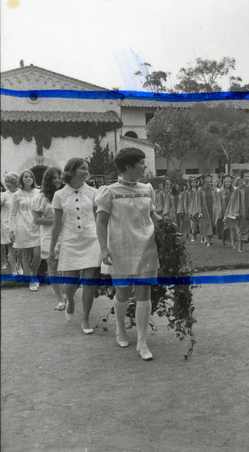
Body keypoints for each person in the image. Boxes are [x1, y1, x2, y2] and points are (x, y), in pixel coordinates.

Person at [96, 148, 159, 360]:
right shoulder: (109, 191)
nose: (145, 166)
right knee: (122, 293)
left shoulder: (147, 189)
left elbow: (152, 214)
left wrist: (167, 227)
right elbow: (101, 221)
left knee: (144, 292)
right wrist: (103, 249)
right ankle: (120, 328)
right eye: (141, 163)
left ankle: (142, 342)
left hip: (146, 247)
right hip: (120, 248)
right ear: (128, 167)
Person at [49, 158, 99, 333]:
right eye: (82, 168)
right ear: (71, 171)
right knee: (68, 287)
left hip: (91, 241)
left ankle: (85, 319)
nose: (86, 171)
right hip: (70, 242)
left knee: (89, 281)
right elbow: (56, 225)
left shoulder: (94, 192)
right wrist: (52, 249)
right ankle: (70, 300)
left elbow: (99, 219)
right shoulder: (59, 195)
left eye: (87, 168)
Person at [32, 167, 66, 310]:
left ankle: (66, 292)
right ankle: (60, 299)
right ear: (48, 180)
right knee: (53, 266)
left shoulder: (66, 194)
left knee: (67, 266)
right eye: (54, 177)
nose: (57, 180)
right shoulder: (41, 198)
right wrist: (56, 220)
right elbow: (37, 220)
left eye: (59, 177)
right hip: (49, 236)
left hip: (67, 235)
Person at [9, 170, 41, 290]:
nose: (28, 179)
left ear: (33, 179)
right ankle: (31, 280)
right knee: (25, 254)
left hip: (37, 225)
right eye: (25, 177)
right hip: (22, 226)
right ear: (21, 180)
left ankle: (34, 273)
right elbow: (12, 213)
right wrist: (11, 230)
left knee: (38, 253)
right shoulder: (17, 194)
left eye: (30, 177)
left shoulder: (39, 192)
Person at [224, 169, 249, 253]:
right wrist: (236, 211)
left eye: (248, 176)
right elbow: (234, 200)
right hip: (242, 212)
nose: (247, 178)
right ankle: (240, 246)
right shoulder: (239, 188)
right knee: (242, 229)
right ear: (242, 178)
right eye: (245, 176)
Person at [192, 174, 221, 247]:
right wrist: (200, 211)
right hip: (204, 211)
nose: (209, 183)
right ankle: (208, 242)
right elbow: (198, 201)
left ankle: (208, 240)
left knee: (211, 225)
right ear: (204, 182)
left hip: (212, 210)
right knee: (207, 225)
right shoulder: (200, 190)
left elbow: (217, 201)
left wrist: (217, 210)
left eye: (210, 182)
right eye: (207, 182)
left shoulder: (214, 190)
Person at [1, 173, 20, 274]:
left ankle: (19, 264)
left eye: (10, 182)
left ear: (15, 182)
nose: (7, 184)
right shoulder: (3, 195)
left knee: (20, 247)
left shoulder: (20, 193)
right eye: (6, 182)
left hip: (20, 222)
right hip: (7, 223)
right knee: (11, 246)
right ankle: (14, 270)